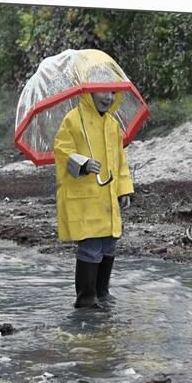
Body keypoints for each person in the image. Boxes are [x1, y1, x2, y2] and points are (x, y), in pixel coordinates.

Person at [53, 89, 133, 309]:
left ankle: (102, 292)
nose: (108, 97)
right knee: (90, 245)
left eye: (113, 92)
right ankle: (86, 297)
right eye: (103, 92)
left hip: (107, 196)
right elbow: (62, 151)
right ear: (89, 92)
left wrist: (124, 189)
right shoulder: (73, 119)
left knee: (109, 243)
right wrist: (82, 163)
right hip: (84, 198)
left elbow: (120, 160)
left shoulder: (112, 124)